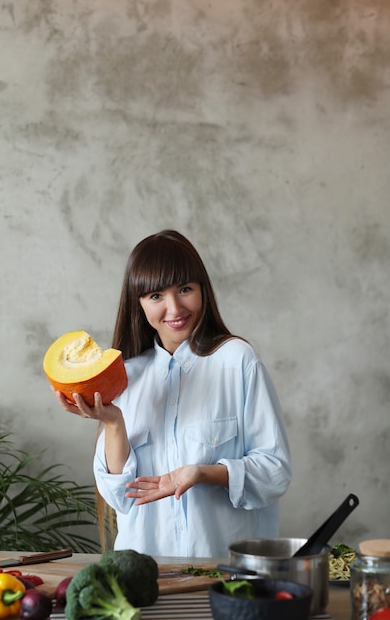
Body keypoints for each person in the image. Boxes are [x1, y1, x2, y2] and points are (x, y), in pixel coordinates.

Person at [54, 229, 291, 558]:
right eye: (156, 296)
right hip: (147, 576)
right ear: (138, 303)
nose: (175, 307)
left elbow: (274, 472)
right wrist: (113, 424)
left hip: (223, 575)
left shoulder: (237, 361)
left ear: (202, 290)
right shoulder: (123, 377)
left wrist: (204, 473)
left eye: (185, 289)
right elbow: (122, 497)